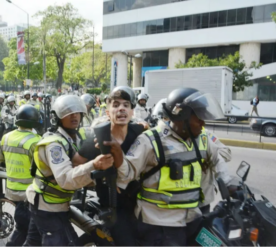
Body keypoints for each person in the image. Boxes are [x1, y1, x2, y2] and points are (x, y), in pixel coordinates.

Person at [111, 88, 233, 246]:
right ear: (181, 116)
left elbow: (218, 160)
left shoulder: (202, 139)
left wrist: (230, 183)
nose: (203, 123)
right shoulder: (151, 140)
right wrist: (118, 156)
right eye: (198, 118)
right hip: (159, 223)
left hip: (191, 218)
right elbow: (127, 173)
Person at [24, 95, 114, 246]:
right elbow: (65, 179)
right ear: (58, 117)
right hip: (48, 206)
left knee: (33, 243)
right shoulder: (54, 145)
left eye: (77, 112)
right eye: (68, 113)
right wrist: (94, 165)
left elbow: (96, 130)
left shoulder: (76, 137)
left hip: (52, 203)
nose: (74, 116)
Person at [73, 86, 145, 246]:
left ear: (132, 111)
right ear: (107, 112)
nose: (121, 109)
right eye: (116, 105)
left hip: (140, 204)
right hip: (113, 208)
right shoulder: (97, 139)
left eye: (126, 105)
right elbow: (76, 163)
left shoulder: (139, 132)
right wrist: (94, 172)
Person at [0, 105, 42, 246]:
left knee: (23, 229)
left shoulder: (6, 137)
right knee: (28, 231)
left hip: (12, 192)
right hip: (30, 194)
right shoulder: (35, 141)